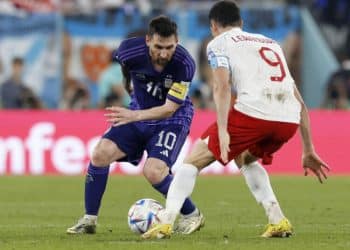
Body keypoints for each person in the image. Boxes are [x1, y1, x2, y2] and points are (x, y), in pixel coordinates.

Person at [141, 1, 330, 240]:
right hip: (287, 120)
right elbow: (299, 101)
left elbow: (221, 86)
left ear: (213, 26)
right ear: (241, 23)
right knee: (245, 158)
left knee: (192, 161)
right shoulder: (271, 43)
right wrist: (308, 148)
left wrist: (222, 130)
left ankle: (165, 221)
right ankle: (277, 219)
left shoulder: (218, 43)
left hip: (253, 114)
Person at [67, 15, 204, 235]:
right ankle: (89, 219)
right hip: (138, 111)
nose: (163, 53)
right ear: (148, 40)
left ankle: (192, 214)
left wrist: (134, 115)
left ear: (177, 42)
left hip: (172, 119)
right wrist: (128, 88)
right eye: (158, 46)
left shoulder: (184, 64)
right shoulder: (129, 51)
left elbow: (169, 108)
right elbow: (125, 68)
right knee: (100, 154)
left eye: (169, 47)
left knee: (154, 171)